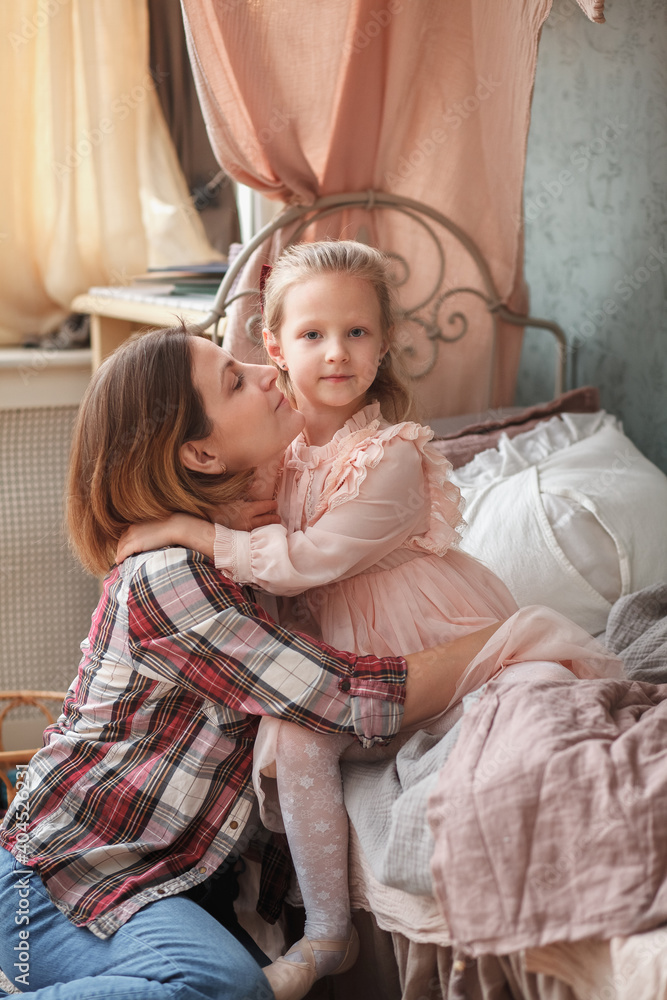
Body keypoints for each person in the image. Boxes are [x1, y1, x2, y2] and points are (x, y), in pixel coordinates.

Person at [116, 243, 624, 1000]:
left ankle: (335, 929)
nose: (336, 353)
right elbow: (239, 521)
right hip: (339, 652)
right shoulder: (272, 455)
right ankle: (327, 934)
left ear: (384, 344)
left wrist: (194, 533)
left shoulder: (389, 457)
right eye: (313, 334)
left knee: (513, 714)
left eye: (357, 333)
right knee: (292, 736)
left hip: (423, 631)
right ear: (274, 346)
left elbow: (308, 560)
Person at [0, 324, 510, 1000]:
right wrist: (507, 638)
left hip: (165, 878)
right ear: (200, 453)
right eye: (234, 379)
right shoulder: (169, 579)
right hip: (62, 877)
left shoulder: (254, 541)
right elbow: (343, 697)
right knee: (220, 985)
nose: (267, 370)